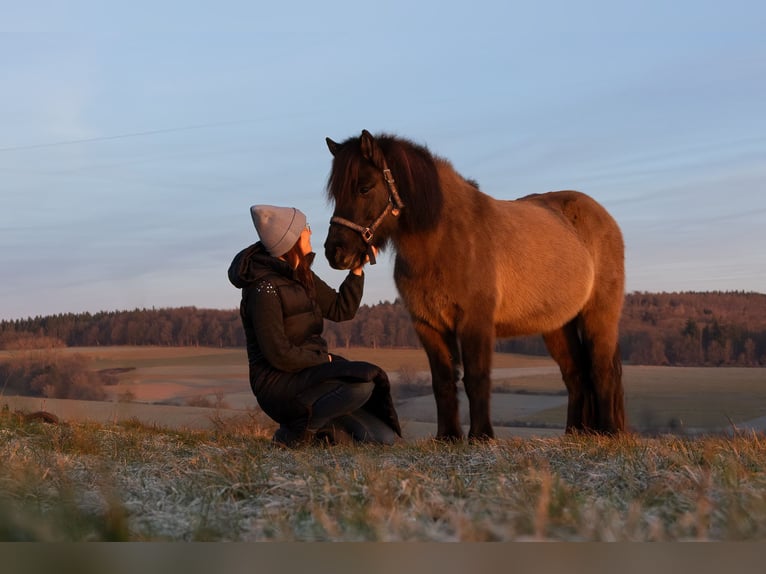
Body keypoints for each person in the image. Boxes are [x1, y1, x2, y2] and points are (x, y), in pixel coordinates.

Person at [228, 204, 401, 447]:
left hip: (310, 373)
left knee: (383, 438)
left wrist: (357, 271)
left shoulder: (301, 274)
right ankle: (294, 434)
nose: (310, 232)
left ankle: (322, 431)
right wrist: (325, 362)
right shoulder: (263, 288)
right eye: (305, 228)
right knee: (360, 386)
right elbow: (279, 354)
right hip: (278, 384)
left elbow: (341, 309)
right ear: (291, 239)